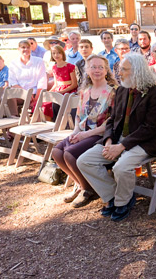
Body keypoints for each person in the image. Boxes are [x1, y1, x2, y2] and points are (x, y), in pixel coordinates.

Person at [76, 53, 156, 222]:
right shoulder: (122, 89)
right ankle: (113, 196)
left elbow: (150, 129)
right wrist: (109, 141)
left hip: (144, 142)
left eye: (124, 70)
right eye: (120, 69)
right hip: (118, 139)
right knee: (84, 161)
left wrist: (122, 146)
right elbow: (112, 119)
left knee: (121, 167)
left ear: (137, 71)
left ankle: (123, 202)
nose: (119, 73)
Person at [53, 54, 115, 209]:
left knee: (69, 153)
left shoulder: (113, 92)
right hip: (83, 131)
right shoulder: (85, 91)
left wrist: (84, 135)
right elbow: (79, 115)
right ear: (87, 70)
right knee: (56, 152)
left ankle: (87, 190)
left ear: (106, 70)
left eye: (101, 67)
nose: (97, 70)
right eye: (93, 67)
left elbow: (111, 123)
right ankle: (81, 184)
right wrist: (75, 132)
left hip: (99, 134)